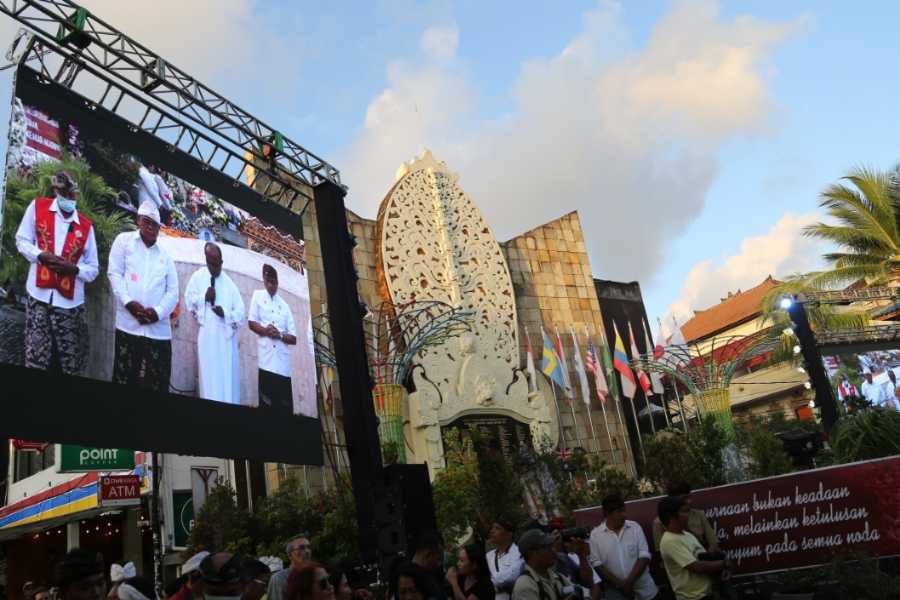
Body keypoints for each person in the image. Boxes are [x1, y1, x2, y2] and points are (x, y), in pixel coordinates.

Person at [15, 171, 99, 375]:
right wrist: (40, 255)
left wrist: (75, 269)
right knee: (36, 358)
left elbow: (93, 269)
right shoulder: (37, 207)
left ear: (76, 194)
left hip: (70, 305)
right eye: (62, 193)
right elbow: (22, 240)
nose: (68, 198)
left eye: (71, 194)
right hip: (38, 296)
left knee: (68, 363)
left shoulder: (86, 227)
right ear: (55, 191)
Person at [107, 202, 179, 391]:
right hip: (128, 325)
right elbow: (114, 273)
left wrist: (157, 312)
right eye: (147, 222)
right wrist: (129, 303)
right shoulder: (123, 241)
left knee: (157, 381)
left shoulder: (165, 256)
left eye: (155, 224)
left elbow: (173, 293)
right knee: (124, 376)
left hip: (158, 331)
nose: (151, 227)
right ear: (138, 220)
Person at [184, 242, 245, 404]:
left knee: (226, 380)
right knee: (209, 379)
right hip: (207, 338)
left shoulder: (230, 285)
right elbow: (189, 301)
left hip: (225, 342)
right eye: (211, 264)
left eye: (217, 264)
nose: (214, 268)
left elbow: (240, 314)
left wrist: (225, 313)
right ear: (206, 260)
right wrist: (203, 297)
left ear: (222, 263)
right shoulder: (198, 277)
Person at [658, 496, 730, 600]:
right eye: (684, 511)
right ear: (671, 517)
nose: (688, 515)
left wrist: (722, 569)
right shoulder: (669, 540)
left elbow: (704, 558)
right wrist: (724, 563)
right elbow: (697, 567)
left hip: (708, 593)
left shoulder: (687, 534)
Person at [248, 264, 297, 415]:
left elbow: (294, 338)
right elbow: (251, 322)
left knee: (284, 407)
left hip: (282, 365)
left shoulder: (285, 306)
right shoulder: (257, 296)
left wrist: (280, 335)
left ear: (278, 283)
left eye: (274, 282)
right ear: (264, 280)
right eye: (269, 281)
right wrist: (265, 331)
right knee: (266, 405)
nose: (271, 285)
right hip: (266, 361)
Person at [588, 494, 657, 600]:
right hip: (617, 594)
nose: (624, 515)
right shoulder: (595, 535)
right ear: (607, 513)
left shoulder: (634, 527)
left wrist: (628, 583)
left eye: (624, 510)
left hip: (646, 591)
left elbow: (644, 556)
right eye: (619, 512)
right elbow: (597, 564)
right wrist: (620, 585)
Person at [652, 483, 718, 552]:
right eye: (684, 498)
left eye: (689, 497)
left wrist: (708, 556)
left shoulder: (699, 514)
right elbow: (661, 552)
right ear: (673, 500)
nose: (689, 501)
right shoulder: (659, 522)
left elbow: (713, 542)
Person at [511, 529, 575, 600]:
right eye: (547, 547)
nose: (553, 550)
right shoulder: (525, 585)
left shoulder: (558, 577)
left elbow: (579, 591)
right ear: (532, 553)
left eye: (552, 546)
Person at [486, 518, 524, 600]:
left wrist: (489, 582)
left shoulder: (518, 552)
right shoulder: (488, 556)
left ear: (509, 534)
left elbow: (511, 576)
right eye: (492, 528)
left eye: (497, 528)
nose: (492, 531)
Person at [267, 534, 313, 600]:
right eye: (301, 548)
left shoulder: (317, 575)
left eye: (309, 547)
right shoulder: (279, 579)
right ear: (290, 555)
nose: (307, 551)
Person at [408, 531, 448, 600]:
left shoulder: (431, 577)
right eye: (438, 559)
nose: (438, 564)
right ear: (428, 555)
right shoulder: (406, 580)